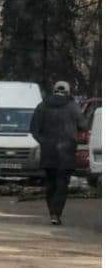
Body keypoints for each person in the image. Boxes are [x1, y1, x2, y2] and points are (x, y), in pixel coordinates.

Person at [30, 80, 89, 226]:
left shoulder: (42, 106)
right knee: (62, 184)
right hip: (66, 152)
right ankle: (56, 213)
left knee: (50, 183)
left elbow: (33, 129)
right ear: (67, 91)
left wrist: (43, 141)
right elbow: (83, 125)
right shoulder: (73, 107)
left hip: (48, 151)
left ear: (54, 90)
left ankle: (52, 212)